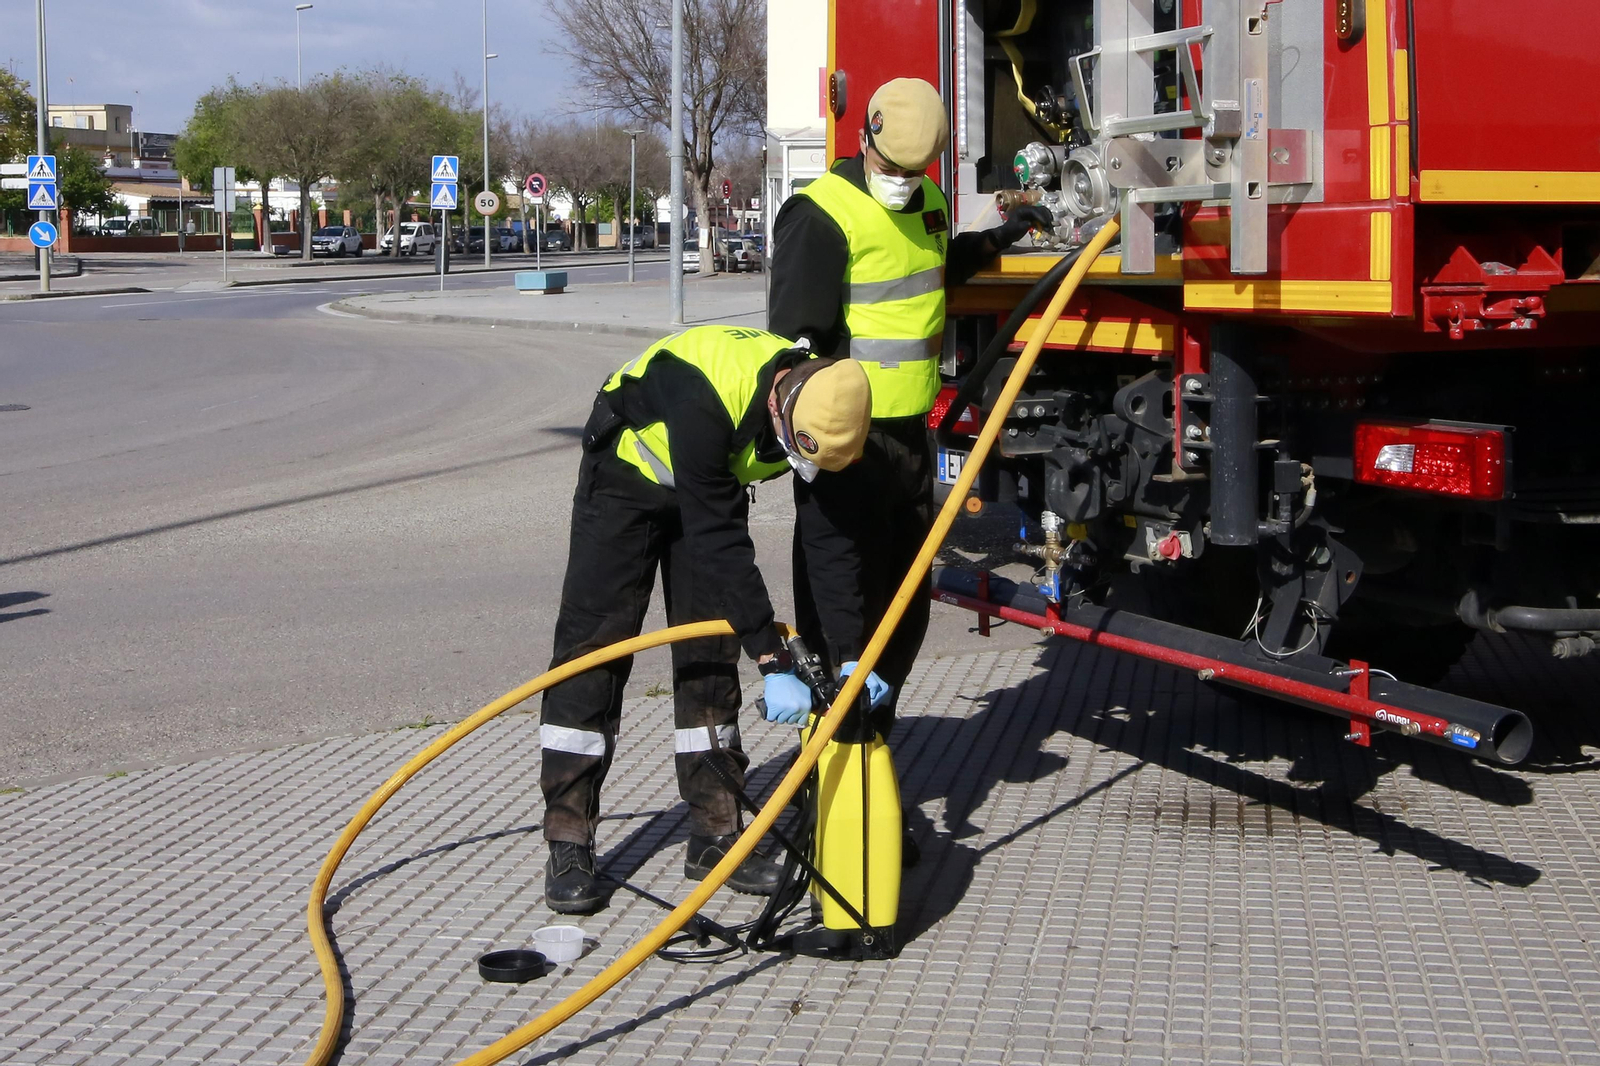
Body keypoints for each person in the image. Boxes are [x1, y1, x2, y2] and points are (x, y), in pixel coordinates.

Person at [539, 324, 879, 915]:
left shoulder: (830, 406)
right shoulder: (704, 393)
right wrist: (771, 657)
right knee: (592, 656)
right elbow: (719, 541)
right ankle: (569, 840)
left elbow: (831, 543)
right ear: (777, 405)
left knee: (710, 663)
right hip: (623, 483)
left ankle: (717, 834)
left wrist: (853, 655)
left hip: (706, 486)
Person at [768, 77, 1053, 740]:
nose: (903, 181)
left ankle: (874, 747)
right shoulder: (820, 214)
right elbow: (792, 348)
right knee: (843, 614)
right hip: (844, 444)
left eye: (915, 171)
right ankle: (830, 767)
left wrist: (997, 238)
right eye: (892, 168)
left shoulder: (930, 201)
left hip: (909, 441)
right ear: (864, 136)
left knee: (903, 608)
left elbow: (929, 270)